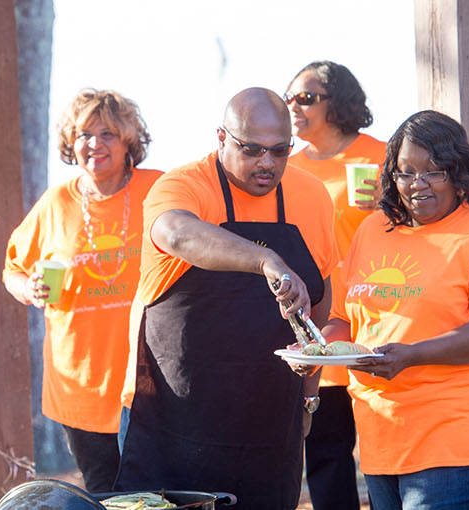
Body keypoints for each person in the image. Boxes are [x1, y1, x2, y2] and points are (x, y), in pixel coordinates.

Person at [113, 88, 338, 509]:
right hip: (171, 426)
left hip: (269, 433)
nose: (267, 163)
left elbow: (318, 308)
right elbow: (176, 233)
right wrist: (265, 259)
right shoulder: (182, 185)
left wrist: (309, 397)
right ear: (221, 138)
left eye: (280, 151)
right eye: (251, 149)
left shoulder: (311, 196)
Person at [324, 110, 469, 509]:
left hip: (459, 436)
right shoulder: (373, 229)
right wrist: (315, 352)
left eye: (433, 171)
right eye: (405, 173)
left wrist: (412, 355)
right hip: (382, 434)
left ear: (458, 172)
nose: (417, 185)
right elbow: (343, 320)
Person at [2, 88, 161, 493]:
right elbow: (12, 271)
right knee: (103, 493)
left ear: (128, 139)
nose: (95, 144)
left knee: (156, 492)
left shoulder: (158, 190)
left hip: (150, 380)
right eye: (84, 134)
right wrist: (29, 288)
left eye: (107, 133)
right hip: (80, 383)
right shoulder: (55, 203)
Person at [284, 60, 387, 509]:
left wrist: (391, 203)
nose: (294, 106)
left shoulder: (382, 155)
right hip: (322, 328)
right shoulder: (283, 170)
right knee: (325, 455)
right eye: (289, 98)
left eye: (306, 98)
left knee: (390, 453)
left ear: (338, 102)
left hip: (381, 320)